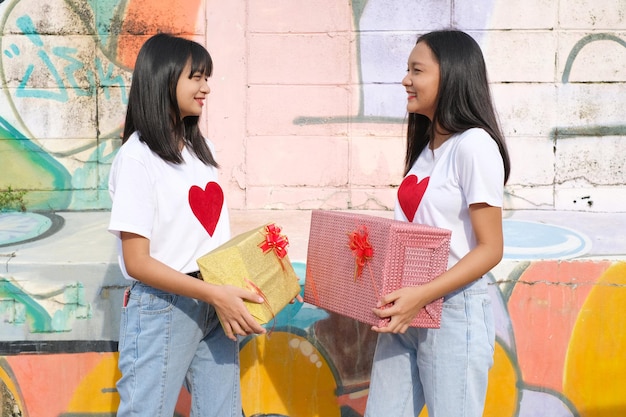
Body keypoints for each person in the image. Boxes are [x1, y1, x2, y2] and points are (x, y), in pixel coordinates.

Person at [108, 33, 266, 417]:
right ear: (163, 78)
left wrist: (256, 282)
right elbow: (137, 262)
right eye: (196, 77)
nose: (206, 88)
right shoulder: (137, 159)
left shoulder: (199, 150)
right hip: (164, 307)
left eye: (206, 77)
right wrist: (211, 294)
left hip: (214, 301)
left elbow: (207, 238)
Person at [365, 29, 510, 417]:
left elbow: (491, 248)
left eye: (417, 70)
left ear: (451, 76)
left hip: (452, 310)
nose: (405, 80)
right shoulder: (429, 147)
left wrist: (423, 294)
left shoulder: (474, 145)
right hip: (405, 309)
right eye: (406, 70)